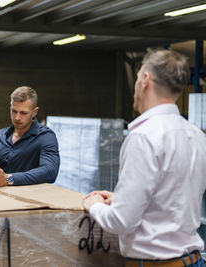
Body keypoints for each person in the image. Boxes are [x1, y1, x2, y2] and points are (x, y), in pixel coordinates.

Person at [83, 50, 206, 267]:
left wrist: (94, 205)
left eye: (138, 75)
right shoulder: (195, 134)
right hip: (192, 262)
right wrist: (123, 199)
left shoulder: (144, 136)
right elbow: (176, 199)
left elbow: (121, 221)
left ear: (146, 79)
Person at [0, 86, 60, 187]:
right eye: (14, 111)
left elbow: (50, 172)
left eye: (23, 113)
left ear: (34, 112)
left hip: (30, 199)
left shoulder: (45, 137)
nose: (17, 117)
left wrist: (9, 179)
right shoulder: (1, 135)